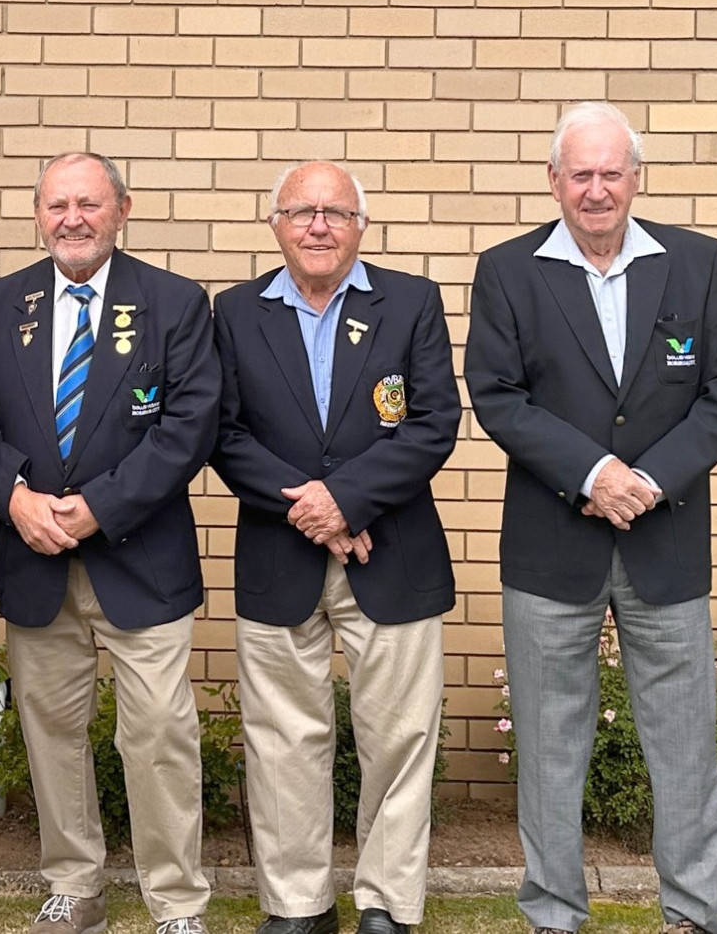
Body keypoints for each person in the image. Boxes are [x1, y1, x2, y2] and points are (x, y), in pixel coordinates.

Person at [466, 102, 717, 934]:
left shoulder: (698, 263)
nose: (597, 190)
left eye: (611, 172)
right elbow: (496, 393)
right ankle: (555, 912)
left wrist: (652, 478)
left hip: (664, 539)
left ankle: (694, 915)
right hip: (551, 541)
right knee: (551, 750)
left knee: (684, 745)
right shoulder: (508, 269)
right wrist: (592, 473)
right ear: (553, 180)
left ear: (637, 178)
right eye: (580, 173)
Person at [0, 152, 220, 934]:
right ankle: (75, 886)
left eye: (88, 202)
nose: (72, 217)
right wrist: (14, 496)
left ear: (122, 208)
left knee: (159, 734)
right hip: (35, 555)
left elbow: (189, 427)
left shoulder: (174, 302)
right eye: (57, 204)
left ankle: (176, 900)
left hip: (139, 557)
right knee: (51, 732)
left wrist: (97, 507)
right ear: (37, 213)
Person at [211, 161, 460, 934]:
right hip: (279, 554)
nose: (318, 225)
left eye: (336, 212)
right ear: (276, 223)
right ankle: (297, 904)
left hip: (392, 551)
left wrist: (346, 499)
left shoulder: (411, 301)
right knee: (283, 737)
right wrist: (313, 508)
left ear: (361, 226)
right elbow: (221, 431)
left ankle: (387, 901)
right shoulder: (235, 311)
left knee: (399, 734)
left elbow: (432, 422)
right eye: (302, 211)